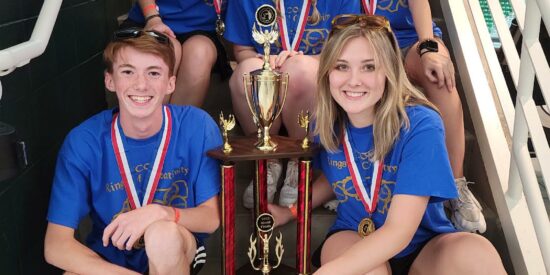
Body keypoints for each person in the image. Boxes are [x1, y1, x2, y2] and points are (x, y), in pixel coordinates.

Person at [268, 15, 506, 274]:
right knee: (370, 271)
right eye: (342, 66)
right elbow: (337, 174)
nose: (354, 80)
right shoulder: (326, 123)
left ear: (389, 71)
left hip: (421, 243)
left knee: (477, 255)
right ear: (327, 73)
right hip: (353, 234)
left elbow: (400, 232)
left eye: (369, 67)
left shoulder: (420, 124)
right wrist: (290, 212)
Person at [44, 29, 222, 275]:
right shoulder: (83, 141)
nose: (141, 84)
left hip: (178, 247)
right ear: (110, 80)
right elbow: (56, 245)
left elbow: (211, 218)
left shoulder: (197, 126)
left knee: (162, 233)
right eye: (128, 72)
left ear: (170, 83)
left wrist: (160, 212)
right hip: (110, 260)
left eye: (153, 73)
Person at [359, 0, 485, 233]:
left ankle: (456, 185)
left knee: (438, 72)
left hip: (408, 42)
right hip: (362, 47)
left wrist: (428, 47)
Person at [224, 0, 360, 209]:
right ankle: (266, 162)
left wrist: (298, 61)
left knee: (300, 69)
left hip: (315, 73)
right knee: (247, 72)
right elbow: (242, 49)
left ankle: (300, 163)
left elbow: (346, 50)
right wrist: (270, 63)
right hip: (267, 67)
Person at [123, 0, 232, 107]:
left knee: (199, 54)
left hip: (204, 28)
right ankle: (148, 122)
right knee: (164, 50)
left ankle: (177, 123)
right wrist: (152, 17)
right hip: (152, 19)